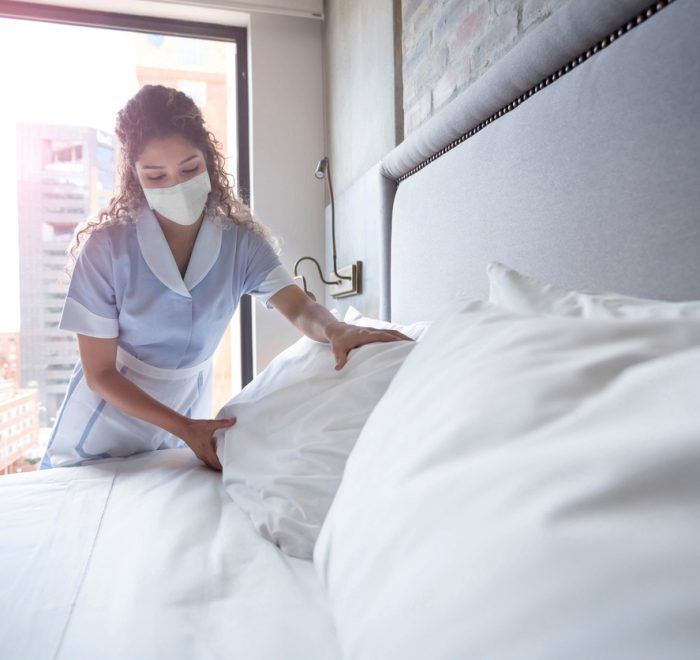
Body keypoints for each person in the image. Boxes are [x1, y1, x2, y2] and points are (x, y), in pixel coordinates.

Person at [40, 84, 410, 472]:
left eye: (189, 168)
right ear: (134, 178)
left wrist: (335, 329)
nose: (176, 185)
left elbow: (298, 304)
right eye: (156, 176)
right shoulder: (106, 250)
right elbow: (99, 373)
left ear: (209, 161)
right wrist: (184, 428)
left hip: (181, 428)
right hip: (101, 432)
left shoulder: (240, 244)